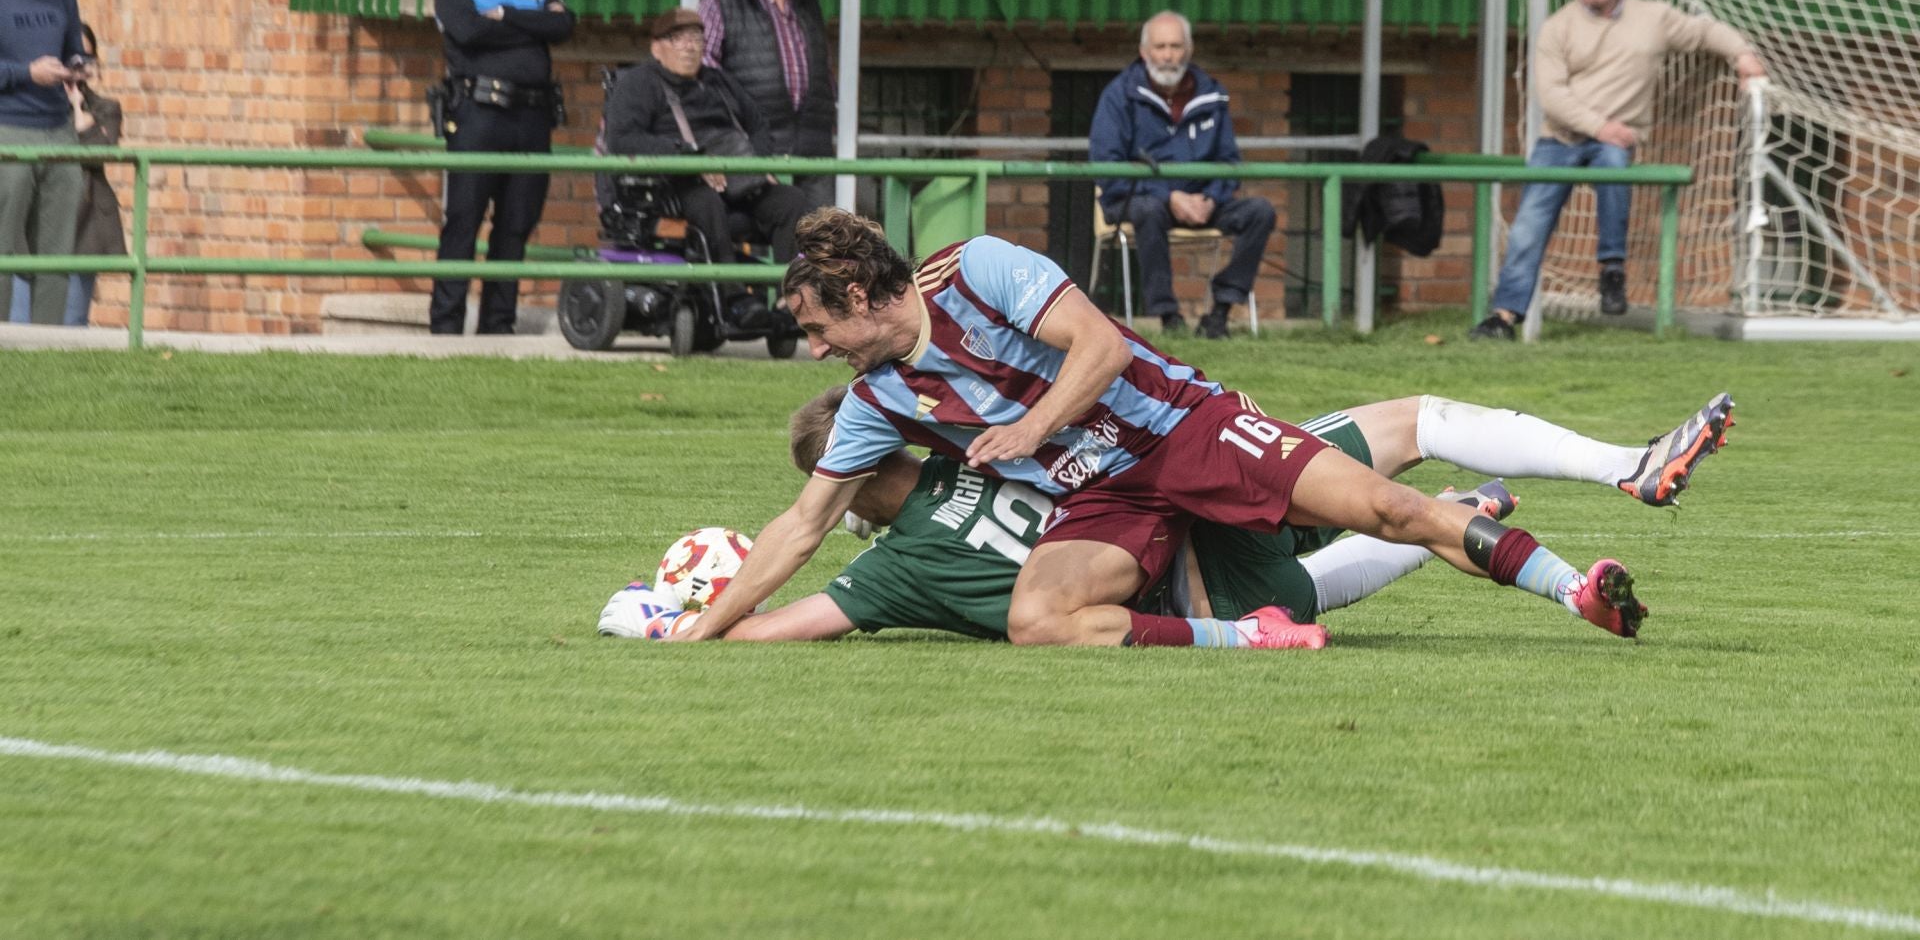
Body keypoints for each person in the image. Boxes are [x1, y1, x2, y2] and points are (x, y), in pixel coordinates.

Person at [674, 207, 1651, 649]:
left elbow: (1096, 346)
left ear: (855, 294)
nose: (811, 351)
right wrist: (703, 632)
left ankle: (1577, 592)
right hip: (1105, 494)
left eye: (813, 328)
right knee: (1034, 619)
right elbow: (803, 524)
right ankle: (1241, 640)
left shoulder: (975, 267)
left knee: (1389, 508)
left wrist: (1031, 430)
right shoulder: (882, 397)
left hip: (1180, 428)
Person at [601, 385, 1733, 643]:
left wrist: (667, 619)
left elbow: (786, 625)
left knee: (1334, 562)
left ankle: (1463, 519)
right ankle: (1619, 468)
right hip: (1211, 511)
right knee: (1409, 423)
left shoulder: (892, 570)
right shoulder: (990, 436)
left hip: (1211, 585)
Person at [1471, 0, 1766, 340]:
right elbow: (1552, 96)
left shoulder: (1654, 18)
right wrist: (1599, 126)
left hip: (1615, 141)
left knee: (1613, 164)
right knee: (1529, 223)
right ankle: (1503, 317)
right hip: (1560, 139)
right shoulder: (1558, 27)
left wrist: (1743, 55)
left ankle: (1612, 269)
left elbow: (1704, 32)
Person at [603, 7, 815, 333]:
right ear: (657, 46)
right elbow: (622, 139)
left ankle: (792, 302)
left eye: (696, 38)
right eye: (679, 39)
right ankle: (735, 299)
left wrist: (758, 164)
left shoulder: (717, 82)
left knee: (792, 201)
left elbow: (758, 124)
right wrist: (692, 160)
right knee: (706, 202)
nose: (690, 46)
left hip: (738, 178)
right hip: (676, 185)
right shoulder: (638, 85)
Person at [429, 0, 574, 336]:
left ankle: (497, 326)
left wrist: (505, 16)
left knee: (515, 225)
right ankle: (446, 327)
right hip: (478, 114)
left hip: (531, 117)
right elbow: (467, 32)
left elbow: (565, 27)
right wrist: (532, 27)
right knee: (463, 222)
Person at [1089, 11, 1274, 339]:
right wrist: (1168, 197)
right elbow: (1106, 168)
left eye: (1175, 46)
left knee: (1260, 211)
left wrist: (1210, 198)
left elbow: (1230, 162)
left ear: (1188, 51)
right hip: (1138, 201)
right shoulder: (1118, 95)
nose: (1168, 55)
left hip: (1202, 203)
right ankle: (1167, 317)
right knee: (1149, 209)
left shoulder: (1213, 94)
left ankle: (1220, 313)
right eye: (1160, 46)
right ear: (1145, 52)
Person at [698, 0, 836, 209]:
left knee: (822, 233)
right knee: (766, 226)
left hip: (812, 135)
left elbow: (821, 57)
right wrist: (730, 129)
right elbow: (706, 70)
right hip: (757, 138)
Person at [0, 0, 88, 326]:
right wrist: (26, 73)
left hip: (58, 132)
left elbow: (76, 45)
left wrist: (78, 65)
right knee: (3, 244)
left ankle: (49, 343)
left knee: (56, 249)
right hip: (8, 130)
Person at [8, 23, 122, 326]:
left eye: (86, 58)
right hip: (27, 229)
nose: (78, 65)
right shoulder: (25, 107)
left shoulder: (105, 108)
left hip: (80, 230)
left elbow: (100, 150)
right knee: (18, 326)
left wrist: (76, 106)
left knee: (69, 327)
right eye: (71, 57)